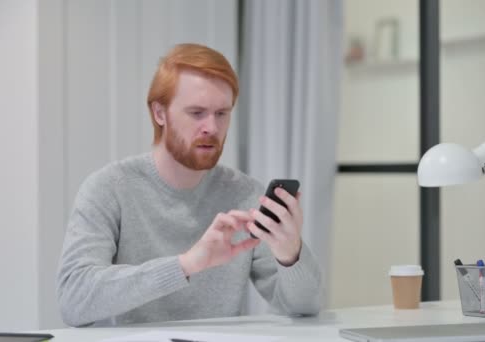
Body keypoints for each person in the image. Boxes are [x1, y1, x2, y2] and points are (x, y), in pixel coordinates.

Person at [56, 43, 322, 327]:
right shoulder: (108, 189)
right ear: (160, 113)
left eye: (222, 113)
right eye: (197, 113)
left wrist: (290, 255)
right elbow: (74, 300)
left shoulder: (246, 194)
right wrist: (186, 265)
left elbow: (305, 308)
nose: (212, 127)